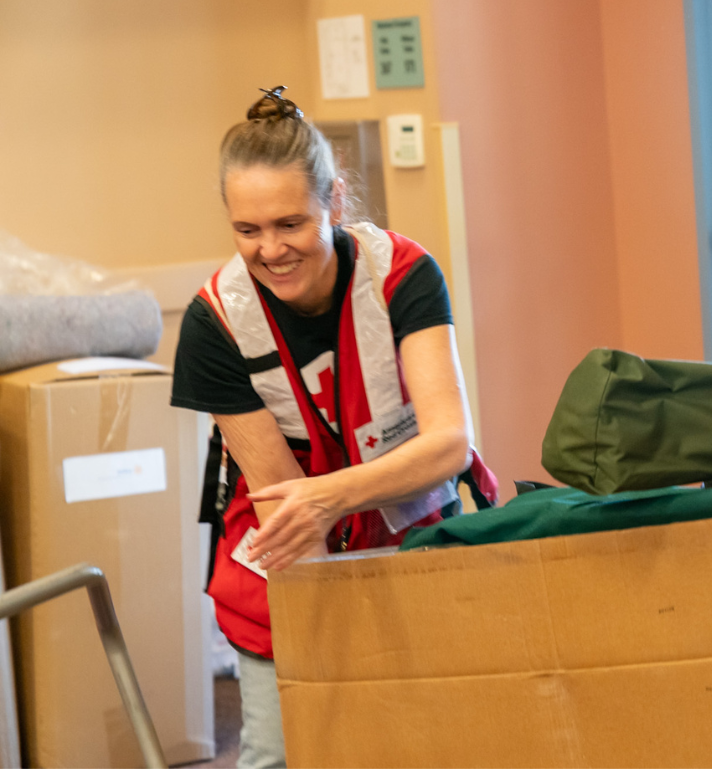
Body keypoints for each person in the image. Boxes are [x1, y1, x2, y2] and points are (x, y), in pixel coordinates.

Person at [170, 86, 498, 769]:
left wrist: (327, 497)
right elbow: (286, 506)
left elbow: (447, 443)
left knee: (434, 741)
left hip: (412, 540)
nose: (271, 250)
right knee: (289, 750)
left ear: (335, 202)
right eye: (248, 230)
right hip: (290, 559)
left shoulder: (402, 276)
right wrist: (320, 510)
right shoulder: (215, 323)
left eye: (290, 223)